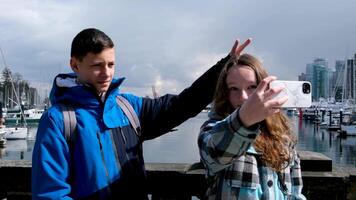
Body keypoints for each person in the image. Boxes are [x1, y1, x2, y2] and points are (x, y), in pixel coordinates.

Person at [31, 28, 251, 199]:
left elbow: (182, 105)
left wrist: (223, 68)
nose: (106, 73)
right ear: (75, 65)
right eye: (97, 65)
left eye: (111, 64)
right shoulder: (58, 120)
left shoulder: (128, 107)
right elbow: (51, 193)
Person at [198, 54, 306, 199]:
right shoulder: (213, 129)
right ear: (225, 93)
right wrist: (243, 119)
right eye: (234, 88)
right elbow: (215, 154)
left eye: (252, 87)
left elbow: (296, 193)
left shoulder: (283, 137)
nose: (243, 97)